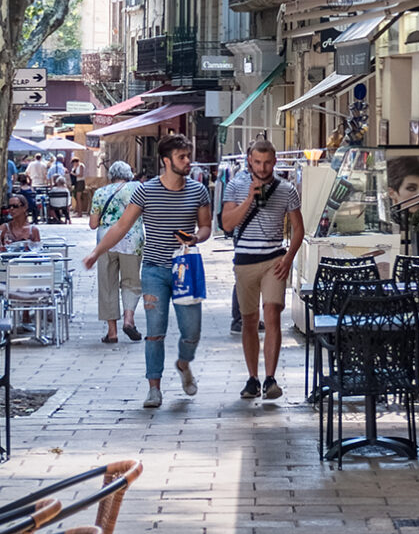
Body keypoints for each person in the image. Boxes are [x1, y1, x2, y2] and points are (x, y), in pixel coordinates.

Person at [84, 134, 211, 409]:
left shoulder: (198, 191)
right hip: (154, 270)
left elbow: (206, 227)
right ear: (166, 161)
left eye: (188, 156)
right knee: (155, 332)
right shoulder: (145, 191)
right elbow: (120, 226)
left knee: (192, 332)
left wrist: (196, 237)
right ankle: (154, 388)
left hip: (186, 269)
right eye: (182, 157)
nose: (188, 161)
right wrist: (96, 252)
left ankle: (183, 363)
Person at [221, 138, 304, 401]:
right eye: (257, 162)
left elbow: (298, 228)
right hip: (245, 260)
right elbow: (227, 224)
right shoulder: (235, 186)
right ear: (249, 161)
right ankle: (252, 378)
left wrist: (289, 258)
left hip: (273, 260)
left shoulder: (287, 189)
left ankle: (270, 378)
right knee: (248, 321)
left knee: (272, 316)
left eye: (267, 162)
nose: (263, 167)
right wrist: (249, 198)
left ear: (275, 162)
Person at [91, 161, 144, 344]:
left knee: (107, 285)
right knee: (131, 282)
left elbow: (92, 224)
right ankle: (129, 320)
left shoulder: (100, 193)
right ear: (129, 174)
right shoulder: (137, 188)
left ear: (111, 175)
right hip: (132, 240)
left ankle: (112, 332)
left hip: (105, 242)